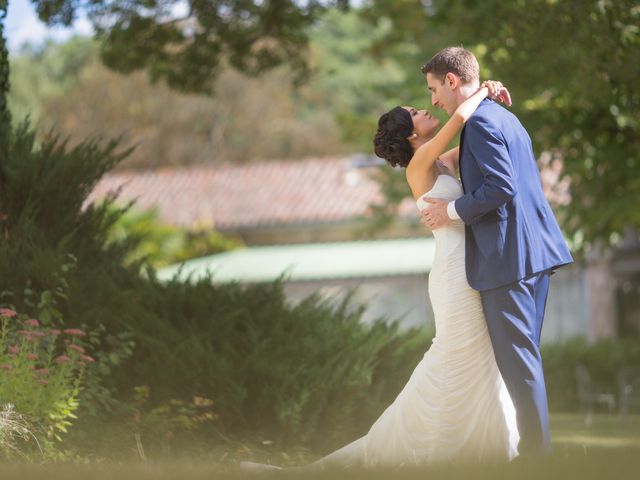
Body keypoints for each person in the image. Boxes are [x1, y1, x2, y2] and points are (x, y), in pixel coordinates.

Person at [242, 79, 520, 471]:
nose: (426, 109)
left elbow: (474, 137)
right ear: (409, 133)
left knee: (477, 354)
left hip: (470, 266)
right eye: (416, 113)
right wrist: (483, 91)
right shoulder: (422, 165)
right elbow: (460, 116)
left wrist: (486, 92)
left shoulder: (444, 161)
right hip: (453, 273)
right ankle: (423, 446)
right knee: (454, 355)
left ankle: (480, 446)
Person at [419, 47, 573, 455]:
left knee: (521, 367)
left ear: (452, 81)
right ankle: (536, 452)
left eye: (434, 89)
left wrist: (449, 211)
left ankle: (537, 458)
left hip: (509, 262)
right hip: (534, 255)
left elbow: (501, 187)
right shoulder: (503, 115)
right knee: (526, 362)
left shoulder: (482, 123)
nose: (433, 100)